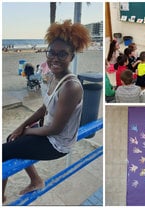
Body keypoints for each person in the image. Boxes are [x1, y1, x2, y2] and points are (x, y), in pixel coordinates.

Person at [2, 20, 90, 202]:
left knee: (4, 151)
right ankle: (35, 179)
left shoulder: (71, 87)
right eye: (51, 52)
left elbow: (55, 130)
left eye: (62, 54)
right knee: (11, 137)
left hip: (58, 144)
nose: (55, 58)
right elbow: (44, 107)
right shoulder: (51, 76)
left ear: (71, 57)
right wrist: (21, 126)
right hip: (48, 133)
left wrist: (26, 130)